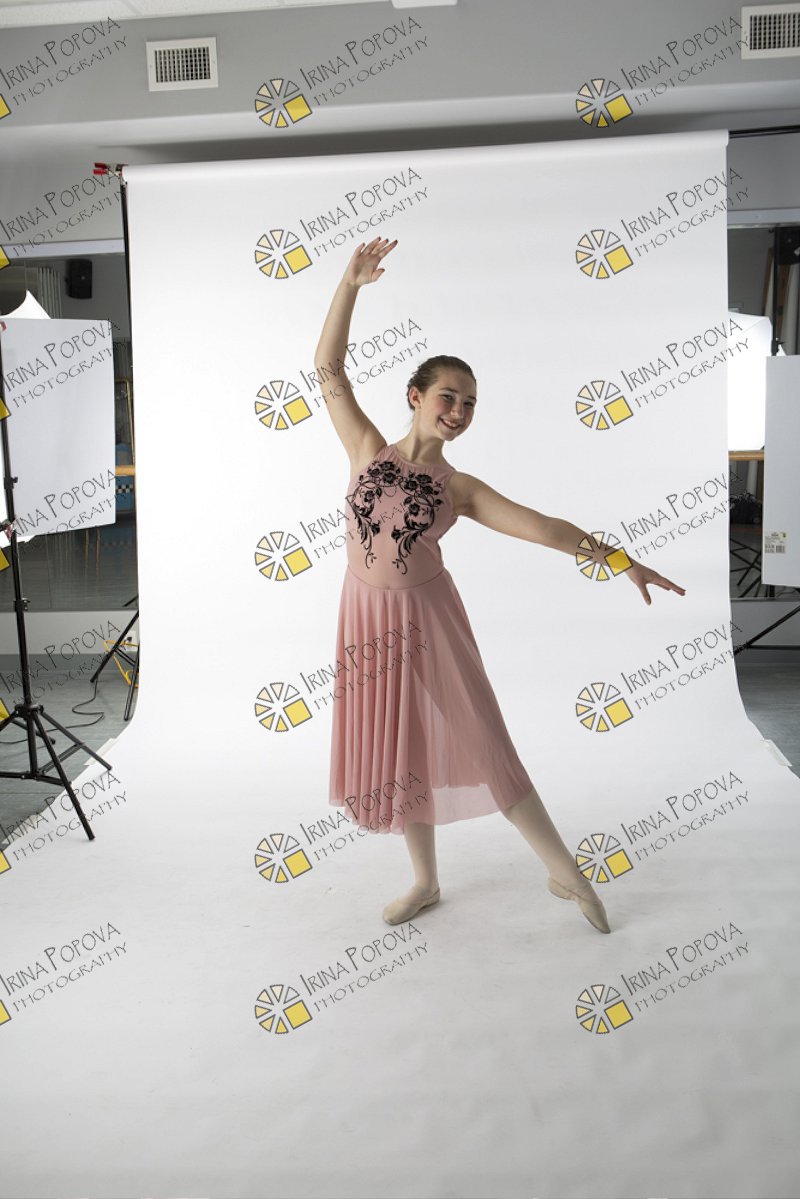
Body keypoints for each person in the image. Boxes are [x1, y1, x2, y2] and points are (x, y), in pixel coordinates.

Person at [315, 237, 685, 935]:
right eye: (448, 397)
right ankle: (425, 880)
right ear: (416, 397)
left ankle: (565, 871)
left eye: (470, 404)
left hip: (428, 620)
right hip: (362, 615)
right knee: (401, 750)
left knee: (486, 742)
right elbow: (327, 368)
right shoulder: (365, 448)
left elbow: (544, 528)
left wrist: (620, 560)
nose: (459, 410)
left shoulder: (459, 488)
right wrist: (350, 285)